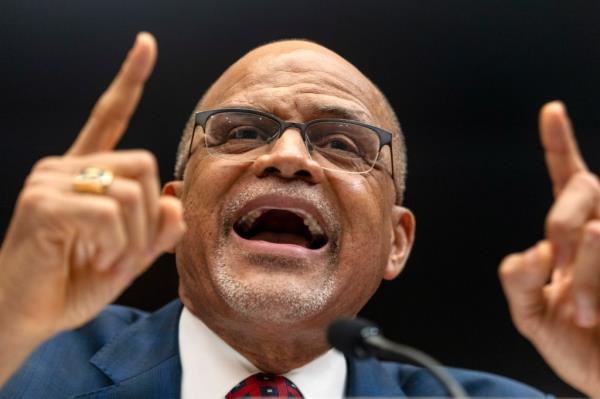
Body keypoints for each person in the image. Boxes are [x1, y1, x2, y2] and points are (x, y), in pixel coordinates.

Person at [0, 31, 598, 398]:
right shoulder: (24, 362)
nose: (288, 157)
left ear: (396, 242)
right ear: (173, 211)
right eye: (241, 132)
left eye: (342, 144)